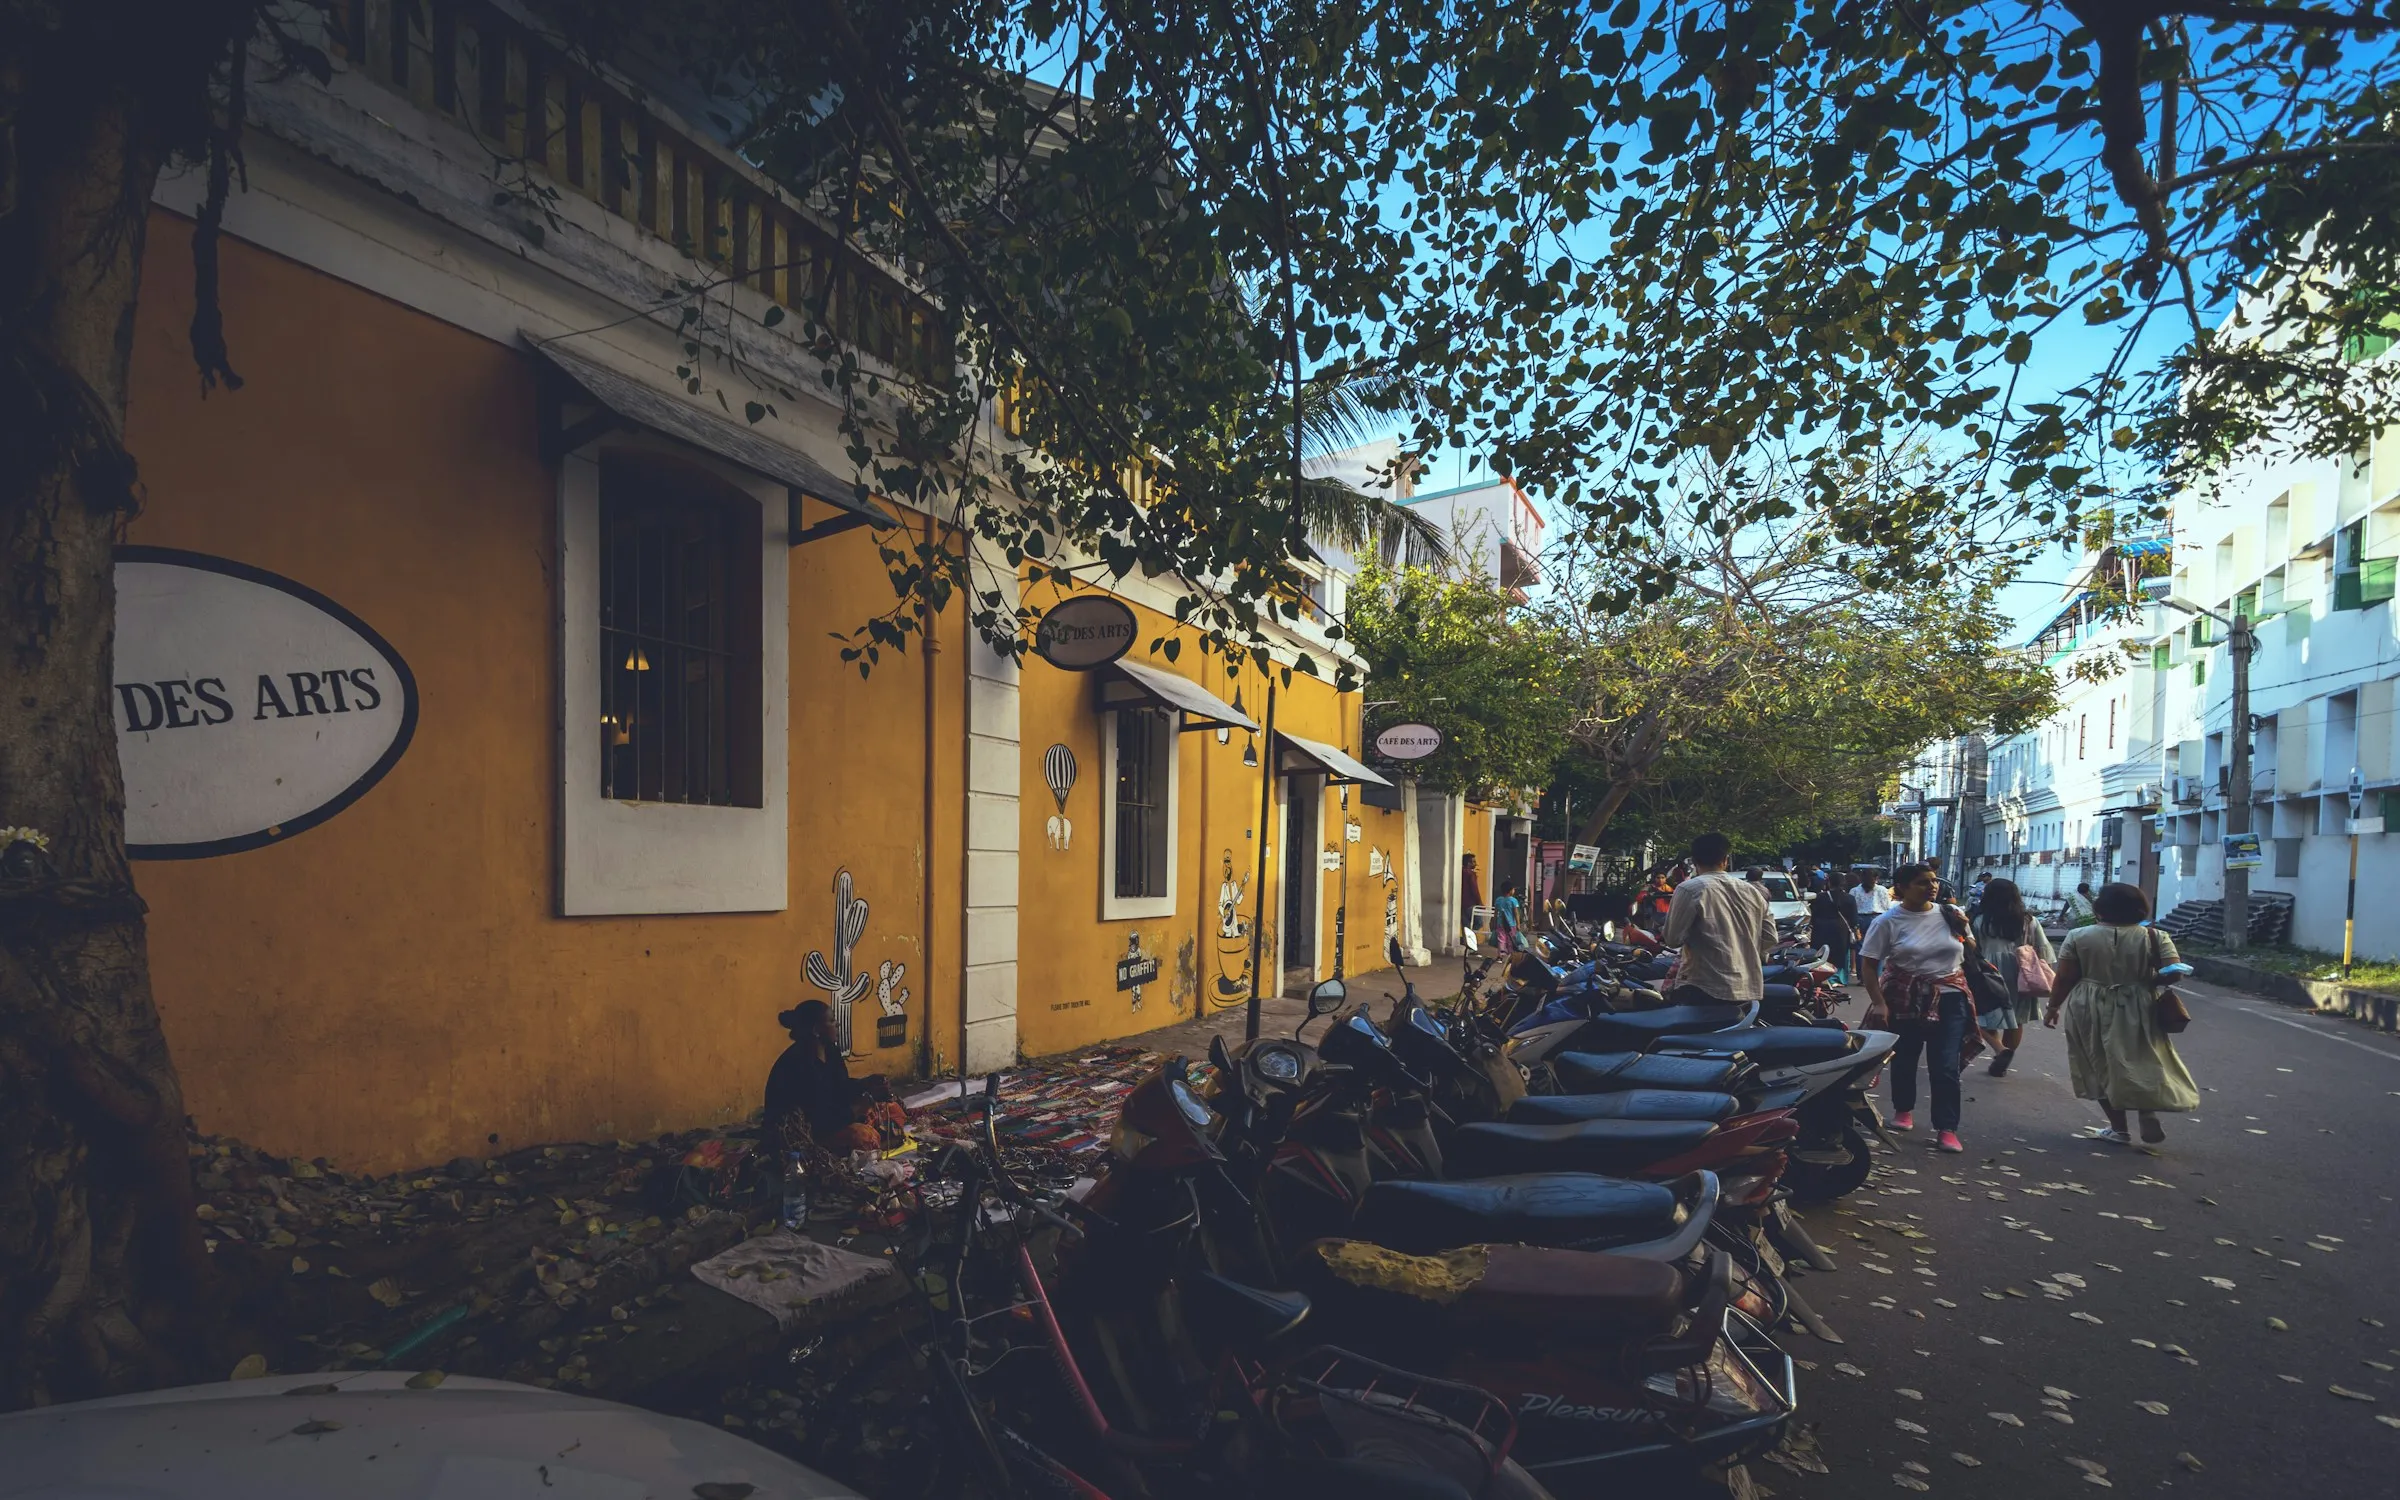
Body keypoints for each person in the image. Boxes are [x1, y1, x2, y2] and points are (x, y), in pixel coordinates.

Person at [2044, 883, 2200, 1146]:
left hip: (2089, 1002)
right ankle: (2145, 1110)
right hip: (2138, 1002)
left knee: (2096, 1061)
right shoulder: (2156, 936)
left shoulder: (2079, 936)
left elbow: (2065, 978)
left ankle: (2119, 1129)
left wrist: (2052, 1007)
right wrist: (2148, 978)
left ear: (2099, 908)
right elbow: (2175, 972)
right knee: (2140, 1055)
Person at [1857, 863, 1972, 1153]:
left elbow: (1969, 949)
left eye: (1933, 881)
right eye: (1922, 882)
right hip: (1904, 998)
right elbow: (1869, 965)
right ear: (1902, 887)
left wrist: (1967, 938)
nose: (1932, 886)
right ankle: (1903, 1110)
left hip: (1950, 997)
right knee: (1905, 1058)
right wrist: (1879, 1003)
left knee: (1945, 1064)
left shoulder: (1952, 914)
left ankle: (1947, 1128)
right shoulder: (1887, 921)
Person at [1661, 832, 1776, 1005]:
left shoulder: (1689, 889)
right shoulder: (1752, 892)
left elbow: (1672, 939)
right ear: (1725, 859)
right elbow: (1770, 937)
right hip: (1746, 988)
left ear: (1694, 860)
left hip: (1703, 987)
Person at [1971, 878, 2052, 1077]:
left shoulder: (1980, 919)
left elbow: (1973, 948)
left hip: (1988, 970)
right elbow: (2042, 949)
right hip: (2020, 970)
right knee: (2017, 1018)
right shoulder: (2028, 919)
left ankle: (1999, 1049)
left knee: (1984, 1015)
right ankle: (2005, 1057)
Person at [763, 1000, 861, 1148]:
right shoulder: (797, 1064)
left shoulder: (831, 1052)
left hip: (827, 1123)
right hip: (800, 1136)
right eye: (832, 1020)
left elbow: (841, 1086)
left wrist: (867, 1085)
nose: (837, 1024)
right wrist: (856, 1111)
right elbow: (820, 1117)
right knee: (861, 1137)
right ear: (816, 1030)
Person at [1808, 873, 1860, 985]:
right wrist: (1854, 929)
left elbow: (1813, 914)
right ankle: (1839, 979)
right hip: (1841, 929)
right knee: (1841, 954)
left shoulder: (1820, 897)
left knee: (1822, 953)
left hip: (1821, 928)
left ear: (1829, 882)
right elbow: (1854, 918)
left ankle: (1822, 977)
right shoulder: (1850, 898)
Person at [1492, 879, 1523, 954]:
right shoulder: (1513, 900)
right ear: (1510, 891)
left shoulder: (1498, 900)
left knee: (1501, 939)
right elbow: (1516, 913)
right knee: (1511, 940)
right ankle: (1510, 954)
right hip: (1511, 924)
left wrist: (1494, 922)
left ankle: (1501, 955)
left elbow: (1495, 913)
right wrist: (1518, 924)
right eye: (1513, 889)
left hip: (1500, 924)